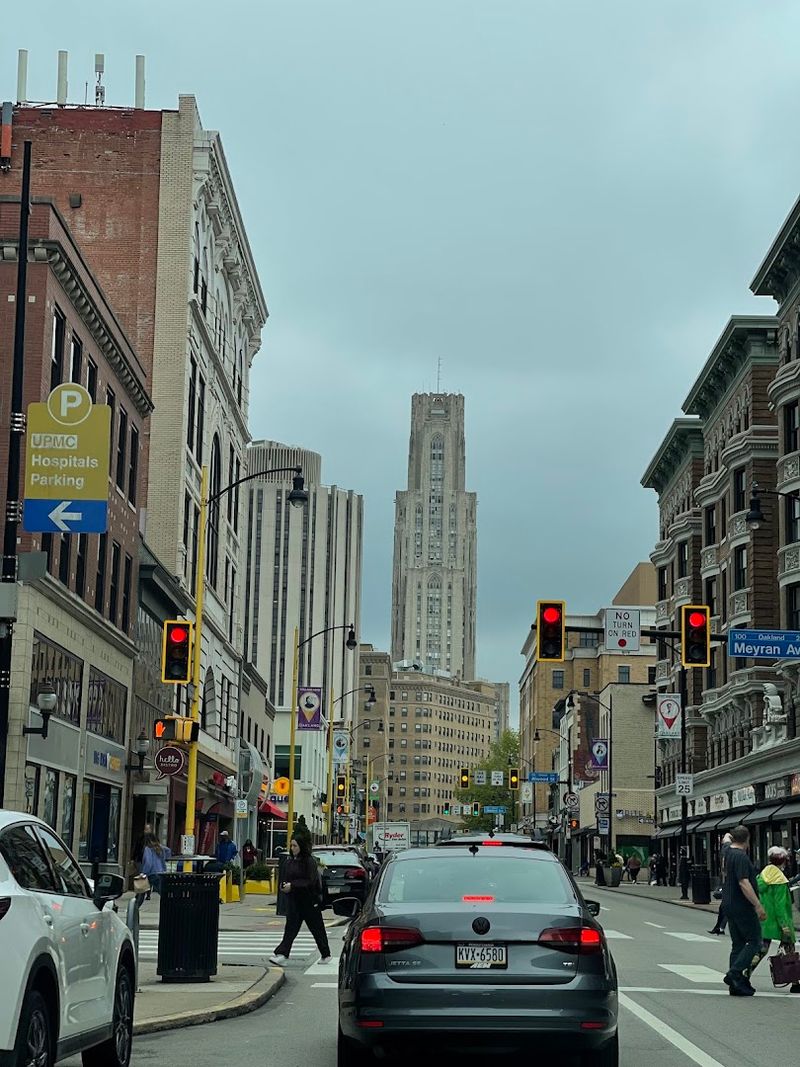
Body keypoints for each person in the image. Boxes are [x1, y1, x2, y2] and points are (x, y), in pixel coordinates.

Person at [270, 836, 331, 965]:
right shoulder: (289, 862)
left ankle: (326, 954)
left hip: (309, 901)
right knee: (290, 929)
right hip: (295, 900)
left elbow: (310, 881)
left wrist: (293, 886)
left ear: (301, 847)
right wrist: (284, 886)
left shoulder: (309, 861)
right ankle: (282, 954)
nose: (292, 849)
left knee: (317, 928)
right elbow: (286, 877)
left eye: (295, 846)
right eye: (291, 846)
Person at [748, 846, 800, 993]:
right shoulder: (779, 880)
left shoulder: (762, 876)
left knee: (761, 949)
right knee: (789, 949)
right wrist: (785, 925)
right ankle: (794, 982)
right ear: (783, 861)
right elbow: (781, 905)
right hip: (778, 921)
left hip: (764, 919)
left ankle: (745, 973)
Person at [722, 824, 766, 996]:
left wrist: (728, 837)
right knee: (755, 941)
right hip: (742, 905)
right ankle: (735, 973)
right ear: (748, 839)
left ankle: (736, 984)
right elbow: (744, 882)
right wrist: (758, 905)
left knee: (738, 944)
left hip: (728, 903)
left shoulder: (726, 852)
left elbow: (725, 839)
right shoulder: (740, 857)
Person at [709, 833, 733, 936]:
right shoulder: (728, 849)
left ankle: (720, 927)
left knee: (727, 906)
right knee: (724, 906)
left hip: (729, 884)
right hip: (727, 883)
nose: (722, 840)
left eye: (724, 838)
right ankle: (719, 927)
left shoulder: (727, 848)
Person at [140, 832, 171, 896]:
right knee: (162, 892)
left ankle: (135, 904)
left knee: (141, 891)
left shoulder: (148, 849)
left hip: (152, 873)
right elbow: (168, 850)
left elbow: (148, 862)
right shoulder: (160, 848)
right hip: (161, 872)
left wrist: (144, 872)